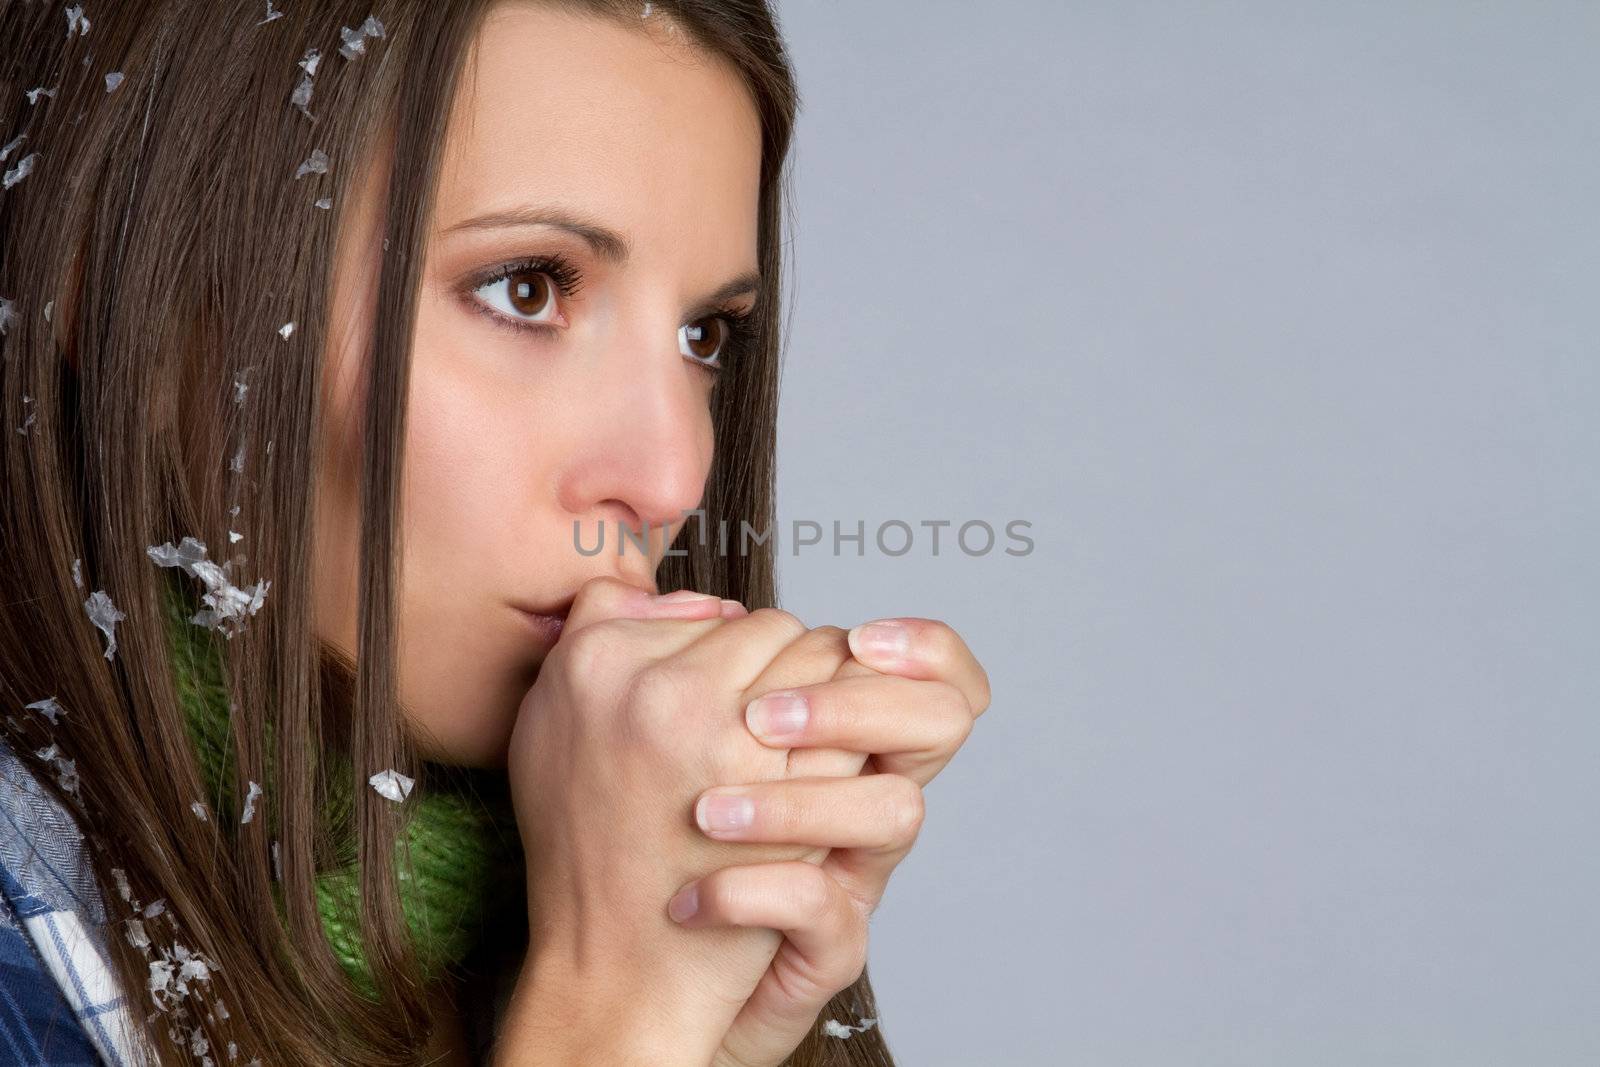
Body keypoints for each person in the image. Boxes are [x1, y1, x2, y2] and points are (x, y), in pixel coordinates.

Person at [0, 2, 992, 1064]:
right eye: (526, 289)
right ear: (117, 290)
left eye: (703, 335)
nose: (670, 477)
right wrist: (606, 1018)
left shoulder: (609, 890)